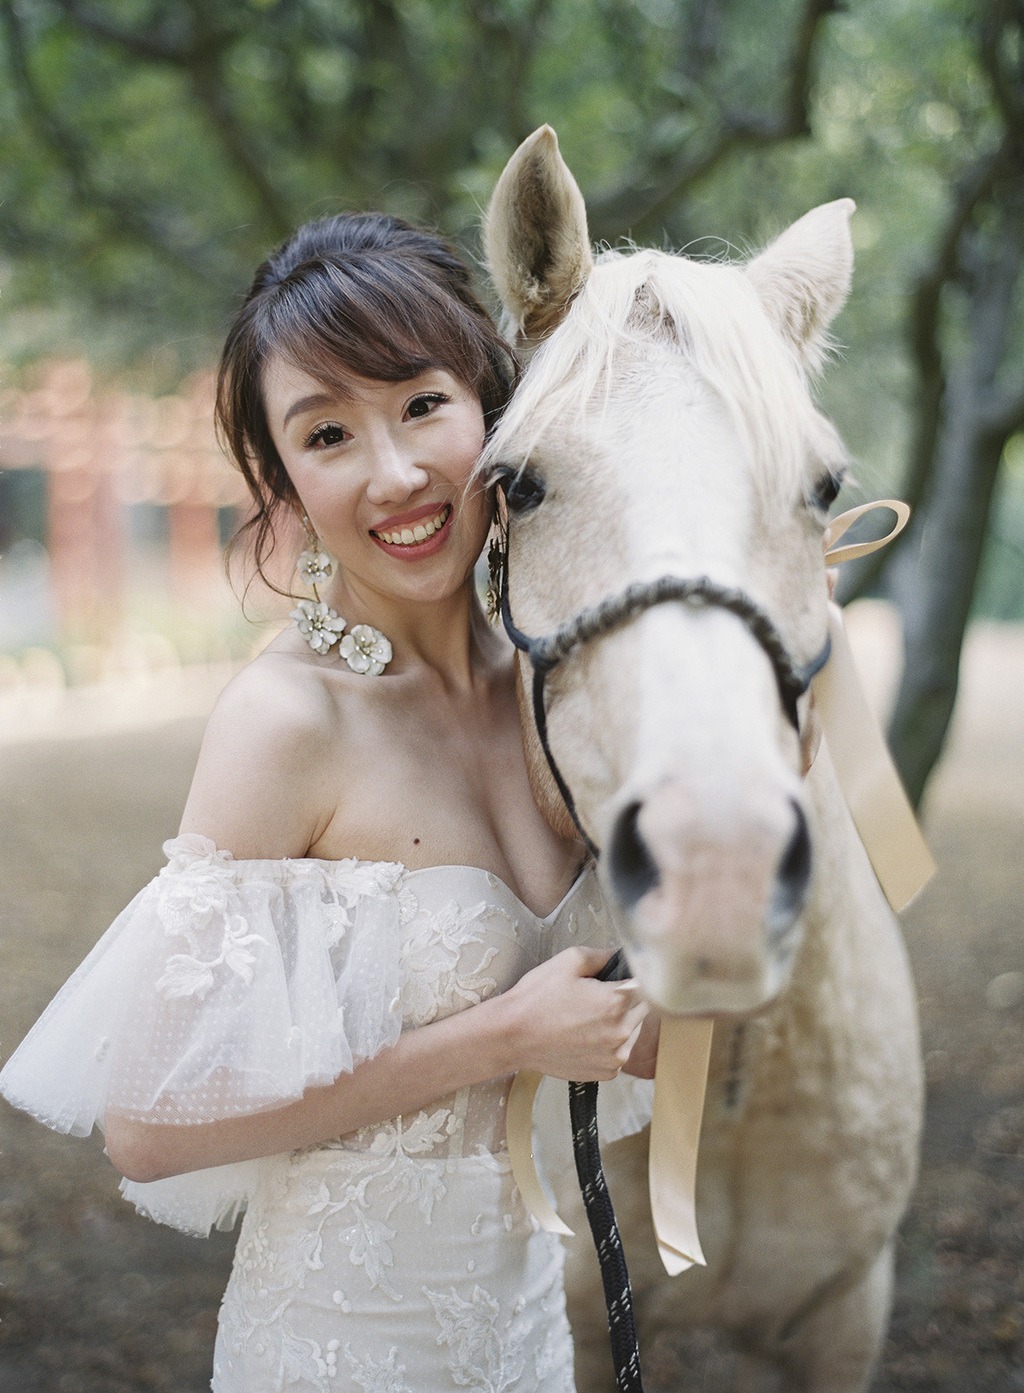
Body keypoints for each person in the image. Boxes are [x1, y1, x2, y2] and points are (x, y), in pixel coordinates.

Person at [0, 211, 656, 1392]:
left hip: (526, 1345)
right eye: (327, 433)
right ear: (283, 480)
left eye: (420, 405)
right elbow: (151, 1124)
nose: (395, 473)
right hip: (341, 1352)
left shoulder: (554, 690)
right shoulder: (288, 723)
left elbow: (624, 1022)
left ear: (494, 409)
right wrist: (501, 1037)